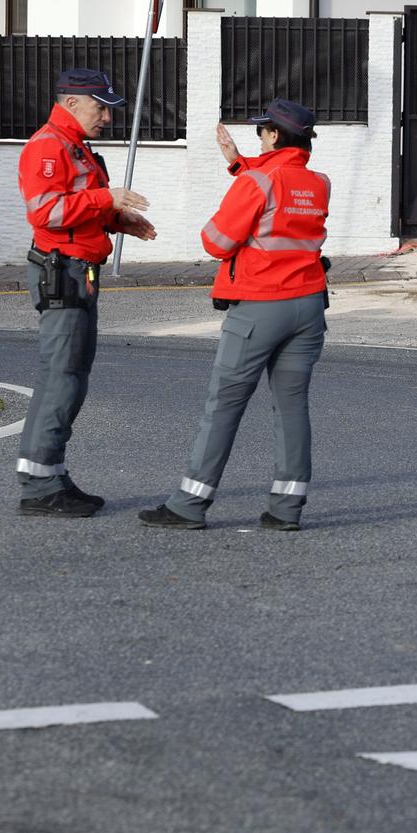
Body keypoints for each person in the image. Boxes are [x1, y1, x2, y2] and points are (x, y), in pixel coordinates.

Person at [140, 99, 330, 531]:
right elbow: (281, 188)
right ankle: (286, 510)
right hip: (308, 305)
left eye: (262, 133)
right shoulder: (319, 183)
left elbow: (216, 241)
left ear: (275, 135)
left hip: (260, 307)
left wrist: (243, 178)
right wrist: (240, 165)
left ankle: (189, 504)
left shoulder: (256, 182)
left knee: (224, 406)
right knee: (292, 407)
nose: (259, 140)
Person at [13, 68, 157, 517]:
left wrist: (118, 221)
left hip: (77, 271)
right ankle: (40, 486)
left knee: (69, 377)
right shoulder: (49, 146)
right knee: (62, 377)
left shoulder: (74, 146)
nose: (107, 118)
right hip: (63, 271)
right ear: (71, 102)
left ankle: (49, 475)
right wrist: (106, 201)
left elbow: (78, 206)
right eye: (101, 108)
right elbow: (45, 212)